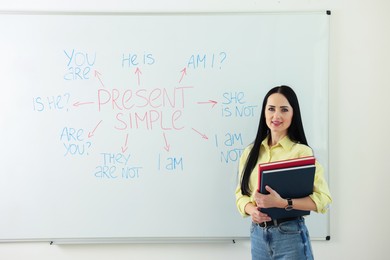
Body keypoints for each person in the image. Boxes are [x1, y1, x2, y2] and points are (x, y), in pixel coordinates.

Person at [235, 85, 332, 260]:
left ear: (293, 114)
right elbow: (240, 195)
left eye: (284, 110)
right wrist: (252, 210)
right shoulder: (250, 152)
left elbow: (323, 199)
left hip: (290, 235)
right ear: (264, 112)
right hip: (257, 236)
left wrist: (282, 203)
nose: (276, 116)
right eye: (271, 109)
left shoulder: (302, 152)